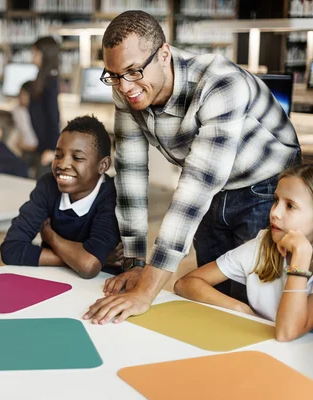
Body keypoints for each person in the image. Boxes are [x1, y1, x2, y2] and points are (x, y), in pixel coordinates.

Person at [84, 10, 301, 324]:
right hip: (216, 190)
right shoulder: (124, 89)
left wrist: (146, 293)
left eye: (133, 72)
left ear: (164, 54)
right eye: (114, 75)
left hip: (265, 188)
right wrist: (134, 266)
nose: (124, 86)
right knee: (214, 304)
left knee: (256, 305)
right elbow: (130, 175)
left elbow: (195, 188)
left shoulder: (219, 82)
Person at [174, 165, 313, 342]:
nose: (275, 212)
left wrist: (300, 257)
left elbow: (287, 332)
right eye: (275, 200)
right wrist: (241, 310)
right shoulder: (263, 245)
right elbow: (185, 284)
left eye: (290, 206)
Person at [0, 115, 120, 279]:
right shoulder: (48, 185)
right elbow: (10, 249)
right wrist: (81, 259)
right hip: (53, 280)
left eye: (77, 157)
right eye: (58, 155)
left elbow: (88, 267)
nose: (62, 165)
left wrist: (52, 238)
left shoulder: (113, 195)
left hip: (102, 287)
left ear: (103, 165)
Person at [28, 36, 61, 178]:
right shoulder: (41, 79)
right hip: (40, 145)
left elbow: (53, 116)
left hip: (48, 148)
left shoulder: (51, 81)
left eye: (35, 53)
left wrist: (53, 149)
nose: (32, 58)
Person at [12, 80, 39, 154]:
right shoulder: (17, 111)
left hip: (36, 149)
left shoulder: (37, 112)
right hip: (22, 148)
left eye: (24, 94)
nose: (20, 97)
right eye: (20, 94)